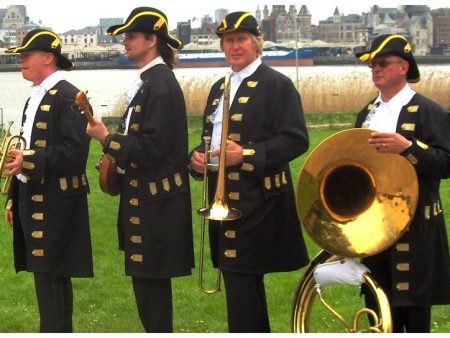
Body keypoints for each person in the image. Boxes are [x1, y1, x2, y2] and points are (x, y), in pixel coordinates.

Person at [189, 12, 310, 333]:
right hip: (222, 196)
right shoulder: (219, 87)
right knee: (240, 281)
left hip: (257, 200)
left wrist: (247, 154)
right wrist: (196, 160)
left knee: (242, 279)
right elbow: (210, 139)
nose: (234, 46)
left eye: (241, 39)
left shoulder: (276, 85)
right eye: (228, 40)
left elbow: (296, 140)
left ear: (256, 43)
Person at [86, 7, 194, 333]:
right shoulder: (149, 83)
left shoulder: (161, 85)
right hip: (146, 206)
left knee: (154, 302)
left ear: (152, 40)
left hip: (156, 209)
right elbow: (141, 149)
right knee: (147, 295)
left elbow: (153, 152)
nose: (124, 42)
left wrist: (106, 138)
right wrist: (113, 163)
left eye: (131, 36)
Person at [355, 34, 450, 333]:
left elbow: (447, 163)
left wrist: (408, 147)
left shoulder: (428, 111)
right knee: (378, 307)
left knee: (414, 311)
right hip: (374, 224)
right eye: (372, 65)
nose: (375, 69)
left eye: (382, 63)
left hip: (415, 228)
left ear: (403, 67)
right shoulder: (366, 114)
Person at [3, 29, 93, 332]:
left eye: (26, 55)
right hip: (32, 198)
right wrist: (13, 197)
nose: (21, 61)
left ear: (49, 58)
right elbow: (27, 148)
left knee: (52, 280)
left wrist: (27, 159)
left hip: (57, 204)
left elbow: (75, 153)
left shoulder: (69, 95)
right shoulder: (35, 97)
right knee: (49, 281)